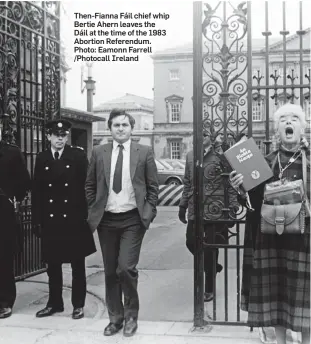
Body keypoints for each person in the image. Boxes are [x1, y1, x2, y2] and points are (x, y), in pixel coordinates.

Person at [230, 104, 310, 344]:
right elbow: (254, 202)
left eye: (294, 118)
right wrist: (240, 188)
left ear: (302, 127)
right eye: (283, 118)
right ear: (277, 128)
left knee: (305, 295)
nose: (289, 122)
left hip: (304, 236)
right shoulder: (264, 162)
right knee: (277, 293)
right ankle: (280, 341)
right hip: (272, 236)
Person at [85, 109, 159, 337]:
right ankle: (114, 319)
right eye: (116, 125)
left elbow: (153, 187)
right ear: (110, 128)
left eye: (124, 125)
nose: (120, 128)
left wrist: (147, 212)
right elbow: (89, 185)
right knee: (109, 272)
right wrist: (93, 207)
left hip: (132, 219)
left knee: (126, 268)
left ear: (131, 128)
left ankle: (130, 317)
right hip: (107, 220)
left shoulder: (144, 152)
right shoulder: (99, 152)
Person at [32, 119, 96, 320]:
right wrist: (37, 220)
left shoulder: (77, 156)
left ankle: (78, 305)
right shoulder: (42, 158)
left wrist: (87, 216)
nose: (60, 139)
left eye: (63, 135)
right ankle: (55, 304)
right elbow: (38, 191)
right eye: (56, 135)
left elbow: (88, 187)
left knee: (78, 265)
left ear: (66, 137)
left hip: (74, 220)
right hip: (51, 221)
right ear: (48, 136)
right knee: (53, 265)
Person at [179, 131, 234, 302]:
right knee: (190, 241)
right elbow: (187, 183)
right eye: (198, 133)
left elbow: (231, 183)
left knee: (210, 249)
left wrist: (232, 208)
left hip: (216, 209)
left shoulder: (221, 155)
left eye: (204, 134)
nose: (200, 137)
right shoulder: (190, 156)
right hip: (196, 208)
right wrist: (182, 206)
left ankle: (209, 288)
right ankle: (213, 267)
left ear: (211, 136)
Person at [0, 124, 31, 319]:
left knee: (3, 256)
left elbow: (24, 182)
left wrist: (12, 198)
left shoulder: (11, 153)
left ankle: (4, 301)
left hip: (2, 210)